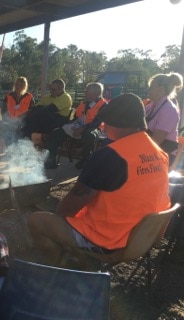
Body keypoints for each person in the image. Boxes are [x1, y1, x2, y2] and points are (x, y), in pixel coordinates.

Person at [28, 93, 170, 267]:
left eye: (105, 124)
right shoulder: (158, 152)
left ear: (115, 123)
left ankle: (66, 269)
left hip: (109, 242)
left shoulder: (112, 155)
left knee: (37, 221)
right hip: (141, 238)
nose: (104, 129)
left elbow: (70, 206)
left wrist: (59, 221)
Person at [44, 82, 108, 170]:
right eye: (86, 91)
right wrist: (71, 124)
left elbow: (97, 122)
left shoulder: (103, 105)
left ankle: (86, 159)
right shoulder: (84, 103)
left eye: (87, 92)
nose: (85, 93)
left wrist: (82, 128)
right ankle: (51, 159)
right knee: (57, 132)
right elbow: (77, 116)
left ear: (96, 94)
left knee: (89, 134)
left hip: (95, 128)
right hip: (79, 125)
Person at [145, 72, 183, 164]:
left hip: (163, 155)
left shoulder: (169, 110)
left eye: (151, 87)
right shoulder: (150, 106)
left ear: (161, 89)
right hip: (150, 151)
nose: (148, 90)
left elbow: (156, 140)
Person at [0, 76, 35, 146]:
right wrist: (8, 120)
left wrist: (23, 116)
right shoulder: (8, 96)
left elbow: (32, 110)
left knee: (24, 133)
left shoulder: (29, 97)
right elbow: (3, 111)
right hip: (10, 122)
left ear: (25, 86)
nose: (18, 86)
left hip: (24, 123)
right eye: (17, 84)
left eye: (21, 85)